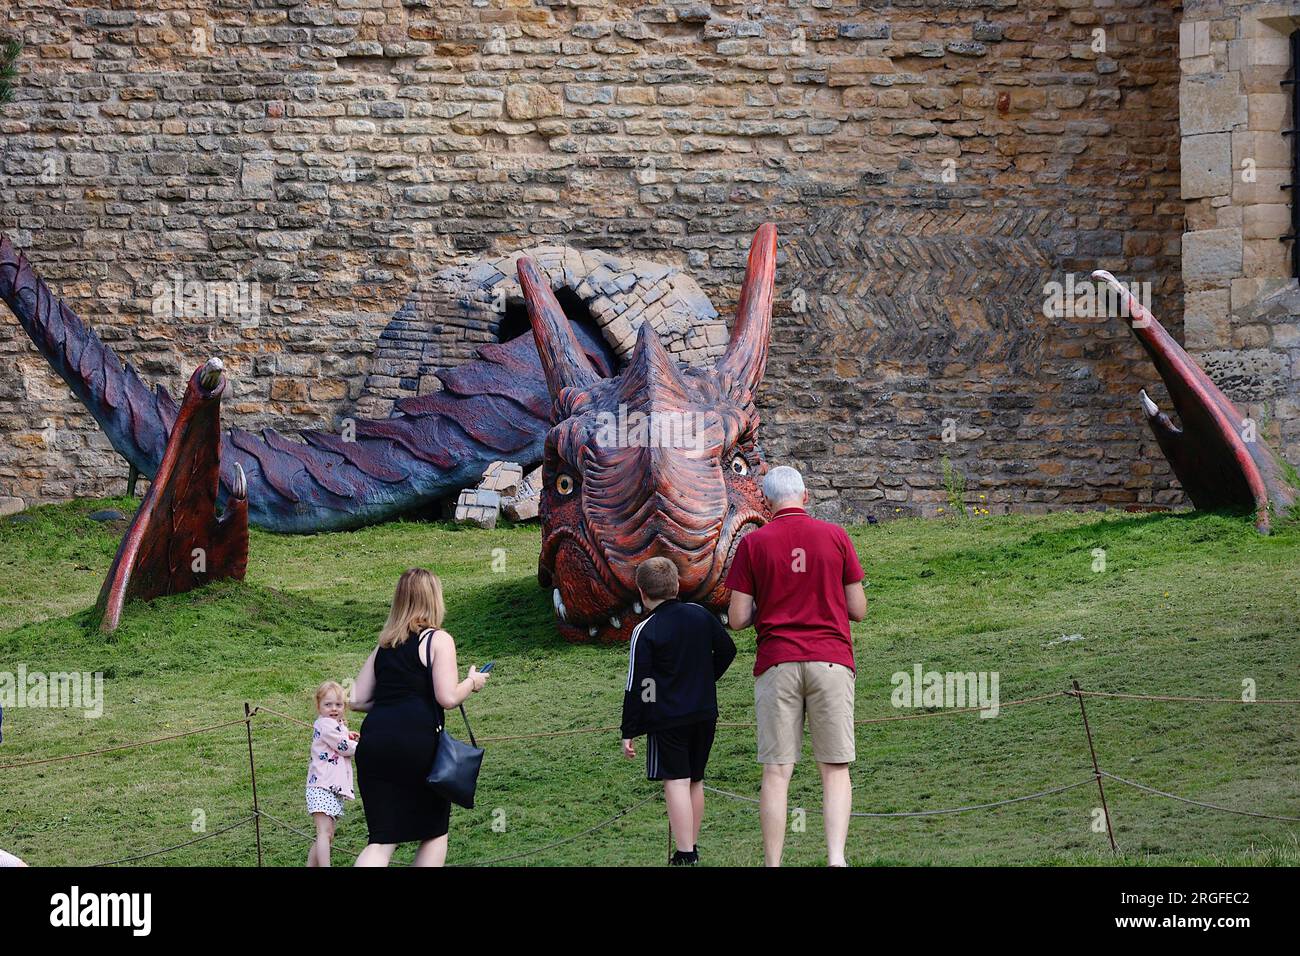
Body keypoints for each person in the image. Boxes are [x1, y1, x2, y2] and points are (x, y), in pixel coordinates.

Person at [725, 465, 867, 867]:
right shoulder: (836, 536)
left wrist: (768, 603)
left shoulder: (754, 544)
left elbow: (737, 619)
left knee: (776, 771)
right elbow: (858, 609)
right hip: (831, 659)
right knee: (835, 767)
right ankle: (836, 859)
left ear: (767, 503)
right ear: (805, 496)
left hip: (778, 662)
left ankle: (773, 863)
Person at [349, 568, 489, 867]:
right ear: (434, 598)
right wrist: (473, 683)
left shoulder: (384, 645)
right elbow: (447, 697)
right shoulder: (438, 639)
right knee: (434, 832)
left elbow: (357, 700)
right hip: (417, 745)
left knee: (382, 840)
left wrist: (393, 700)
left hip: (374, 744)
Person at [621, 557, 736, 866]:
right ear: (677, 586)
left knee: (675, 780)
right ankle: (691, 846)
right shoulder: (700, 615)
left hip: (667, 717)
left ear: (642, 593)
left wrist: (630, 729)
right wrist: (705, 678)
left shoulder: (646, 629)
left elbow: (639, 682)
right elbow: (728, 649)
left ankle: (685, 852)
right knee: (695, 779)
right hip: (704, 712)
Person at [305, 681, 359, 867]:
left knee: (327, 835)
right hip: (322, 786)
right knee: (324, 833)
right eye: (328, 705)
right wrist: (364, 747)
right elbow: (342, 747)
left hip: (328, 787)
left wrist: (347, 733)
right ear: (318, 706)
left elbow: (339, 738)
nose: (334, 709)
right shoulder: (326, 724)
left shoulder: (333, 724)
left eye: (339, 704)